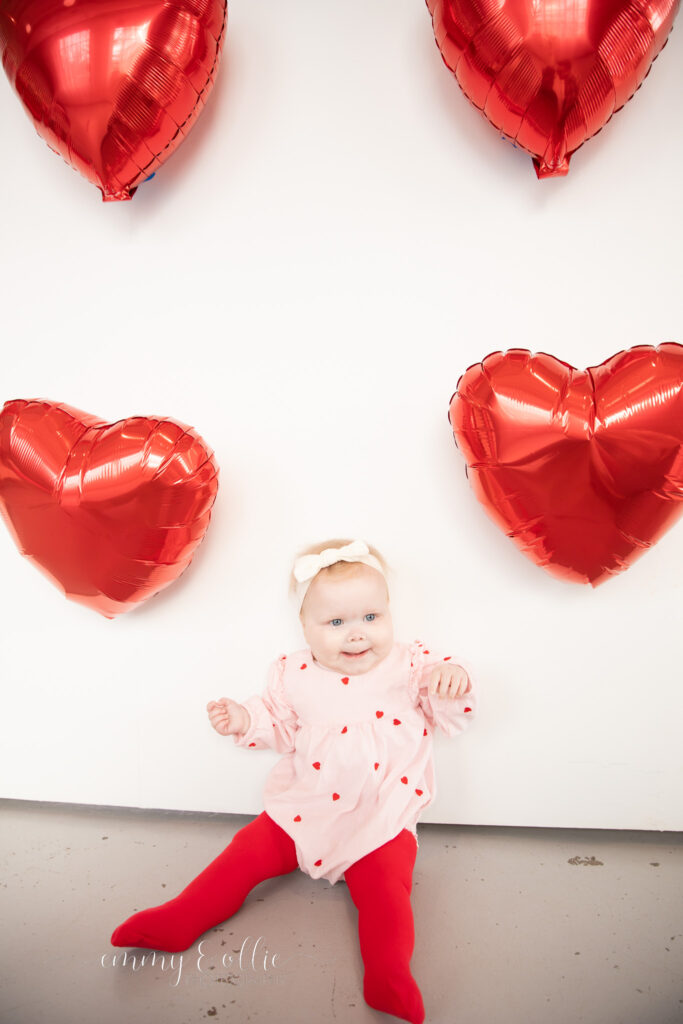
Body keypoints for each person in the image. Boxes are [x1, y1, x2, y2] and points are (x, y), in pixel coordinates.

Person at [111, 538, 476, 1023]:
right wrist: (243, 718)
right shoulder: (293, 672)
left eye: (371, 617)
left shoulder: (412, 665)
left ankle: (389, 973)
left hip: (381, 816)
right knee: (243, 853)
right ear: (305, 628)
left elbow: (447, 716)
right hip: (304, 805)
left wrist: (451, 682)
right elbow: (279, 724)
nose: (356, 635)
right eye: (336, 622)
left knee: (387, 893)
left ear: (389, 614)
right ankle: (182, 916)